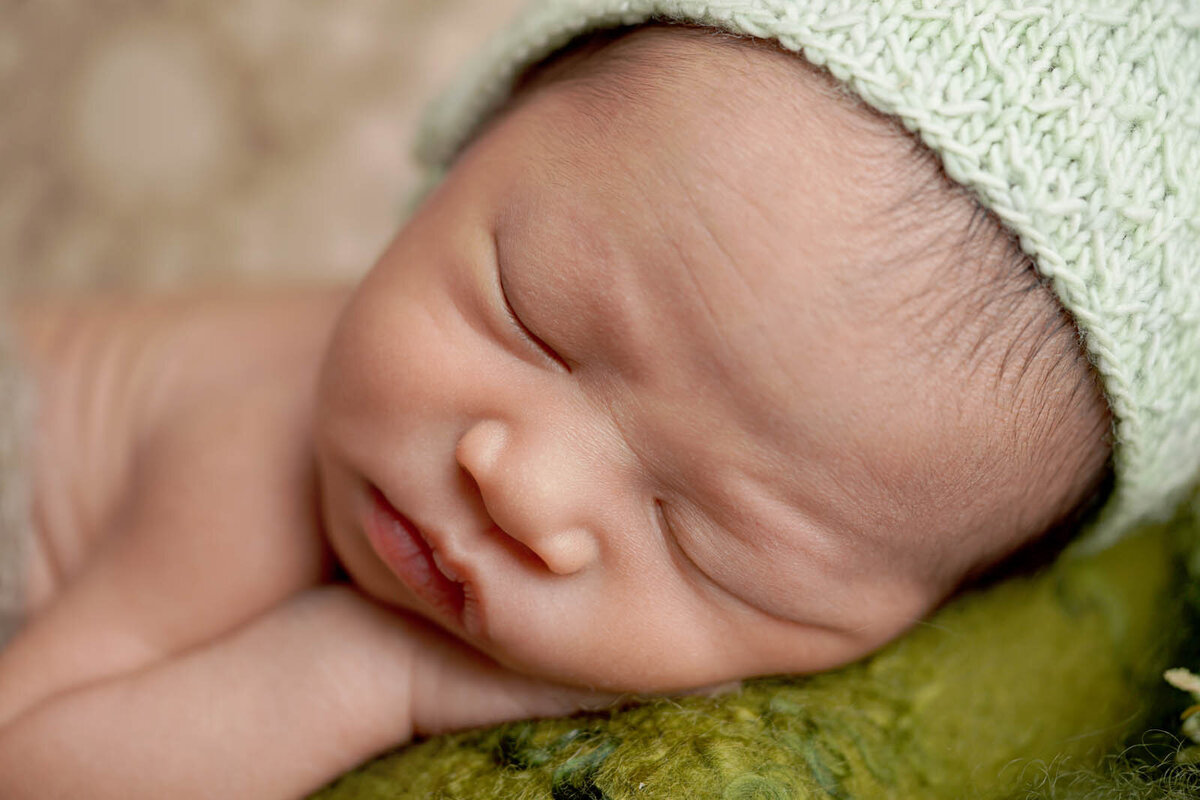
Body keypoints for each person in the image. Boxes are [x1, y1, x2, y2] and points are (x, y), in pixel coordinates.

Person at [0, 2, 1196, 797]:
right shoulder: (253, 441)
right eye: (534, 316)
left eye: (702, 537)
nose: (522, 487)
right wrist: (373, 672)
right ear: (473, 141)